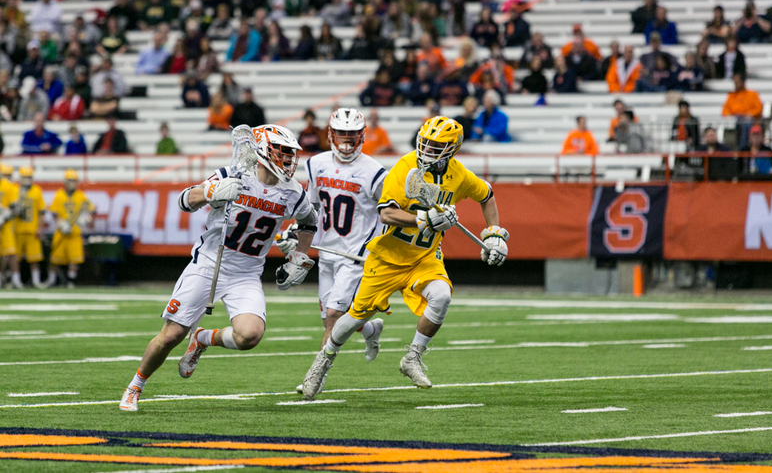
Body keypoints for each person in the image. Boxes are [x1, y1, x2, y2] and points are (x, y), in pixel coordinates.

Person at [299, 116, 507, 398]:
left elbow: (487, 194)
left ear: (452, 149)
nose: (427, 150)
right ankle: (323, 360)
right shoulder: (405, 166)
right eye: (426, 143)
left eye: (436, 146)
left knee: (441, 296)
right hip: (388, 256)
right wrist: (424, 219)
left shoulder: (459, 174)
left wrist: (493, 231)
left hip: (424, 257)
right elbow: (386, 213)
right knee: (354, 318)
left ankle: (413, 357)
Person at [120, 125, 319, 411]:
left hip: (247, 273)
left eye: (291, 154)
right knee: (172, 335)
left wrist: (298, 255)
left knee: (250, 335)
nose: (289, 159)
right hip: (209, 263)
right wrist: (210, 192)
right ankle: (135, 386)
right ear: (264, 150)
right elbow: (184, 200)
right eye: (283, 152)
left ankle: (203, 338)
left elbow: (309, 221)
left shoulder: (293, 192)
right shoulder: (232, 174)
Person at [278, 109, 388, 392]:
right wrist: (294, 232)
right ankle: (370, 328)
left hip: (355, 255)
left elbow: (388, 214)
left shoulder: (374, 172)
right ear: (330, 134)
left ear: (362, 136)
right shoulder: (317, 164)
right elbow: (311, 208)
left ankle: (316, 378)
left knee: (332, 318)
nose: (346, 140)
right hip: (327, 251)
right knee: (333, 317)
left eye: (352, 134)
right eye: (341, 134)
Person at [44, 169, 94, 288]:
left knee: (74, 259)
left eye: (74, 181)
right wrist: (61, 223)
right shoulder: (59, 195)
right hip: (61, 231)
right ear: (65, 181)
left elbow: (92, 211)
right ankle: (52, 280)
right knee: (55, 258)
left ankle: (71, 281)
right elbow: (54, 213)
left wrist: (86, 219)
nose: (72, 183)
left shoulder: (81, 196)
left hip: (75, 232)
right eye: (70, 180)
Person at [13, 167, 46, 288]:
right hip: (17, 229)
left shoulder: (37, 190)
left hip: (32, 230)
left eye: (29, 177)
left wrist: (39, 228)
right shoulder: (14, 190)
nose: (27, 180)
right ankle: (16, 281)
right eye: (25, 177)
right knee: (15, 258)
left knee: (34, 258)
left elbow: (41, 211)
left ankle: (36, 281)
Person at [722, 73, 763, 148]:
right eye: (735, 83)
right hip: (736, 120)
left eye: (738, 82)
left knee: (745, 124)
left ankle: (742, 148)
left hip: (748, 120)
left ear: (743, 82)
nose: (736, 85)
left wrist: (750, 114)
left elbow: (758, 109)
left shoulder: (752, 94)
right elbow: (725, 110)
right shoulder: (731, 95)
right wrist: (732, 116)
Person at [0, 166, 21, 289]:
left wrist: (4, 216)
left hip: (6, 224)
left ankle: (16, 279)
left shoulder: (10, 187)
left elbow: (15, 207)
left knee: (11, 252)